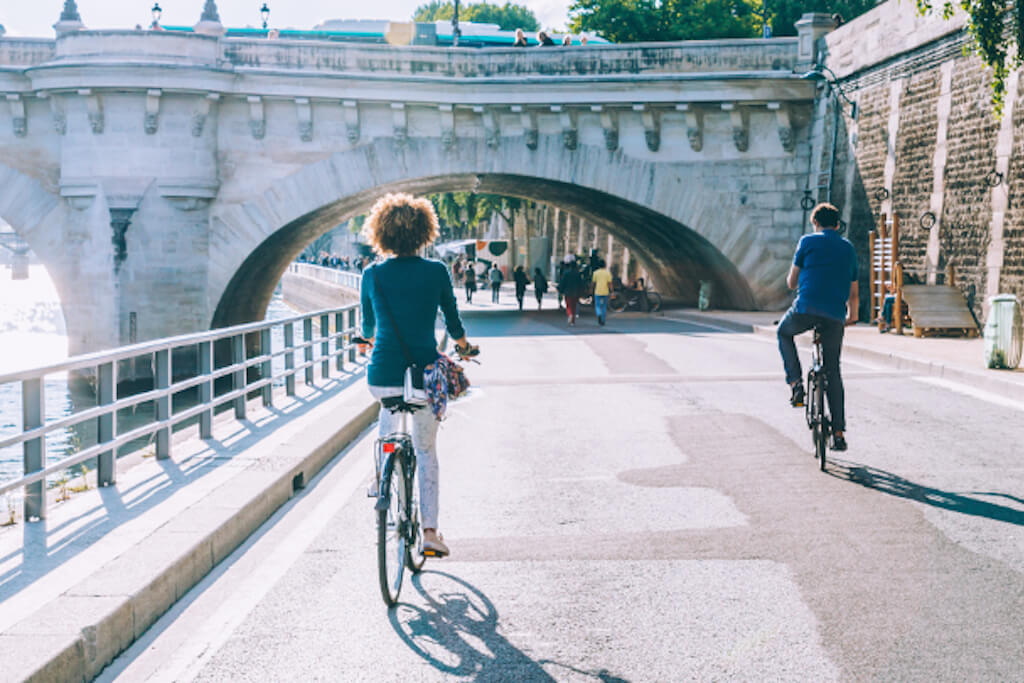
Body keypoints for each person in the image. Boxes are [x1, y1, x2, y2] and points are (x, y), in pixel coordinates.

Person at [359, 192, 478, 558]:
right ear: (426, 232)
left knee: (387, 412)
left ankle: (382, 478)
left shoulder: (372, 274)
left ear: (381, 234)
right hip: (425, 376)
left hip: (382, 375)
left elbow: (368, 328)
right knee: (426, 451)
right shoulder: (436, 272)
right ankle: (429, 531)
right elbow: (453, 321)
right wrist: (463, 347)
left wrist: (367, 344)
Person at [777, 203, 859, 452]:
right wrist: (852, 317)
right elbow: (854, 292)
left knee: (783, 332)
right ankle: (838, 432)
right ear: (837, 225)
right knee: (833, 371)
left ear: (815, 223)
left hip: (805, 310)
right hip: (835, 315)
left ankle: (796, 384)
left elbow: (791, 283)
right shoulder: (848, 248)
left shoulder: (807, 241)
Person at [559, 260, 584, 326]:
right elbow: (581, 284)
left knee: (568, 305)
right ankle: (573, 320)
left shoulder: (566, 273)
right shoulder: (578, 274)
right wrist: (581, 292)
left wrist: (561, 290)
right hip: (576, 292)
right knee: (574, 306)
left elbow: (562, 283)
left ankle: (570, 315)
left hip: (568, 292)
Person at [591, 258, 613, 326]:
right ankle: (603, 319)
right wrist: (611, 291)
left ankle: (599, 314)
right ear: (605, 265)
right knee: (604, 306)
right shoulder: (608, 273)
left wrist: (591, 289)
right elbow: (610, 283)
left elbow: (593, 283)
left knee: (597, 305)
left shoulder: (595, 273)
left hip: (597, 291)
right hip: (605, 291)